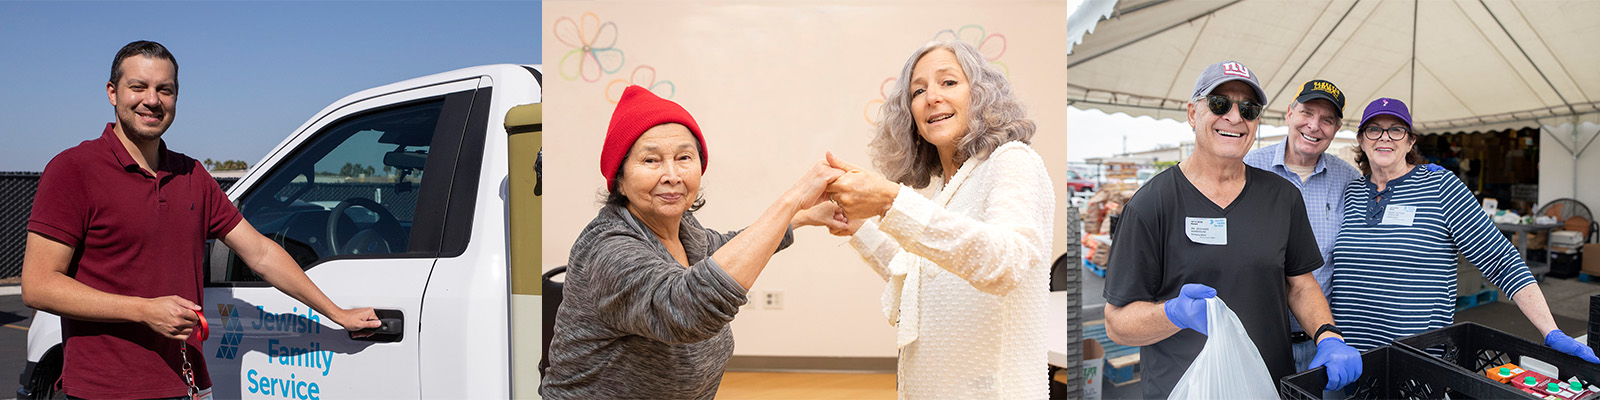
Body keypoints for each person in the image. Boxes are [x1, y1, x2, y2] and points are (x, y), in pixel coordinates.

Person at [20, 40, 380, 399]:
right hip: (106, 391)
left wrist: (336, 312)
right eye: (138, 87)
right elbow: (38, 284)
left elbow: (261, 254)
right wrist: (143, 310)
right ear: (113, 93)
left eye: (165, 89)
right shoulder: (73, 169)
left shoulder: (192, 174)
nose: (152, 100)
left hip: (187, 384)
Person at [540, 86, 846, 399]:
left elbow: (725, 247)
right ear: (620, 178)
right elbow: (688, 308)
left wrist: (807, 215)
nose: (672, 174)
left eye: (684, 157)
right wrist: (792, 200)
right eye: (651, 160)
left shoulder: (685, 229)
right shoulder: (608, 248)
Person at [1102, 60, 1361, 398]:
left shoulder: (1282, 197)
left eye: (1249, 109)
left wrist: (1327, 335)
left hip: (1268, 385)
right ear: (1193, 113)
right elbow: (1117, 323)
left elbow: (1299, 285)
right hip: (1183, 388)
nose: (1235, 117)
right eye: (1220, 103)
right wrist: (1173, 313)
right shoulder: (1151, 204)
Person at [823, 40, 1055, 399]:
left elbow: (1006, 261)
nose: (931, 97)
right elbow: (919, 277)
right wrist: (854, 224)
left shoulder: (1012, 161)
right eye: (918, 90)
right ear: (911, 118)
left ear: (981, 96)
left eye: (948, 82)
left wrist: (889, 200)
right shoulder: (947, 190)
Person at [1328, 98, 1600, 362]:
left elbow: (1500, 259)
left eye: (1396, 130)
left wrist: (1551, 330)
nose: (1384, 137)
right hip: (1351, 359)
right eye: (1374, 129)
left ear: (1410, 141)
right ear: (1362, 140)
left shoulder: (1439, 186)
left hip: (1416, 361)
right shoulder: (1350, 192)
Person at [1242, 79, 1362, 373]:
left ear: (1336, 129)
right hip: (1255, 338)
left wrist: (1416, 175)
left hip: (1320, 341)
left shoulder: (1348, 180)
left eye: (1327, 120)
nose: (1314, 125)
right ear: (1289, 114)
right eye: (1307, 113)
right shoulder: (1248, 167)